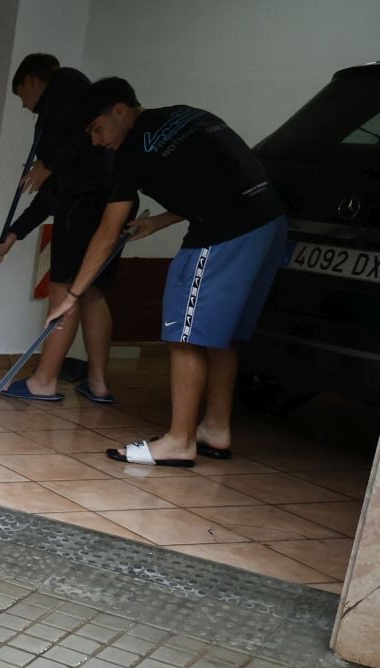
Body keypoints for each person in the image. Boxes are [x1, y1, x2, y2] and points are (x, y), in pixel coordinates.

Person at [58, 78, 290, 467]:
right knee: (221, 334)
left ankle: (180, 441)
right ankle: (215, 429)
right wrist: (162, 220)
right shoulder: (186, 115)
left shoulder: (132, 151)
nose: (96, 141)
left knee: (184, 332)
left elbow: (106, 233)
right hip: (268, 223)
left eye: (96, 129)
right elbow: (222, 177)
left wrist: (72, 295)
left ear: (119, 110)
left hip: (225, 233)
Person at [0, 54, 120, 404]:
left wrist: (48, 162)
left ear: (31, 81)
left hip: (81, 206)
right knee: (93, 293)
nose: (26, 106)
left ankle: (43, 381)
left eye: (21, 96)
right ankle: (98, 383)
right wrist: (14, 234)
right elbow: (50, 194)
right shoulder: (73, 131)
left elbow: (57, 180)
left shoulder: (68, 88)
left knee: (63, 288)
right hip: (108, 202)